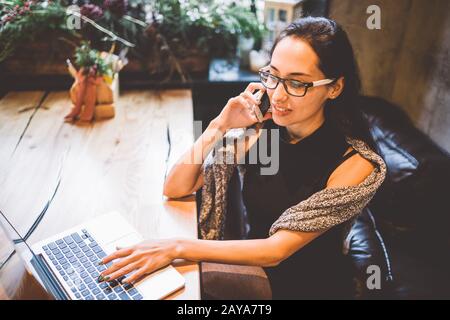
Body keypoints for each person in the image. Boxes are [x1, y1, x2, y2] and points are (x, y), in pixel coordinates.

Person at [96, 17, 382, 299]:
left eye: (297, 84)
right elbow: (176, 186)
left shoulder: (357, 163)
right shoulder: (263, 130)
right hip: (250, 266)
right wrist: (218, 125)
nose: (278, 95)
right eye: (273, 76)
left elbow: (276, 250)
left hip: (303, 287)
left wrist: (176, 247)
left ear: (334, 88)